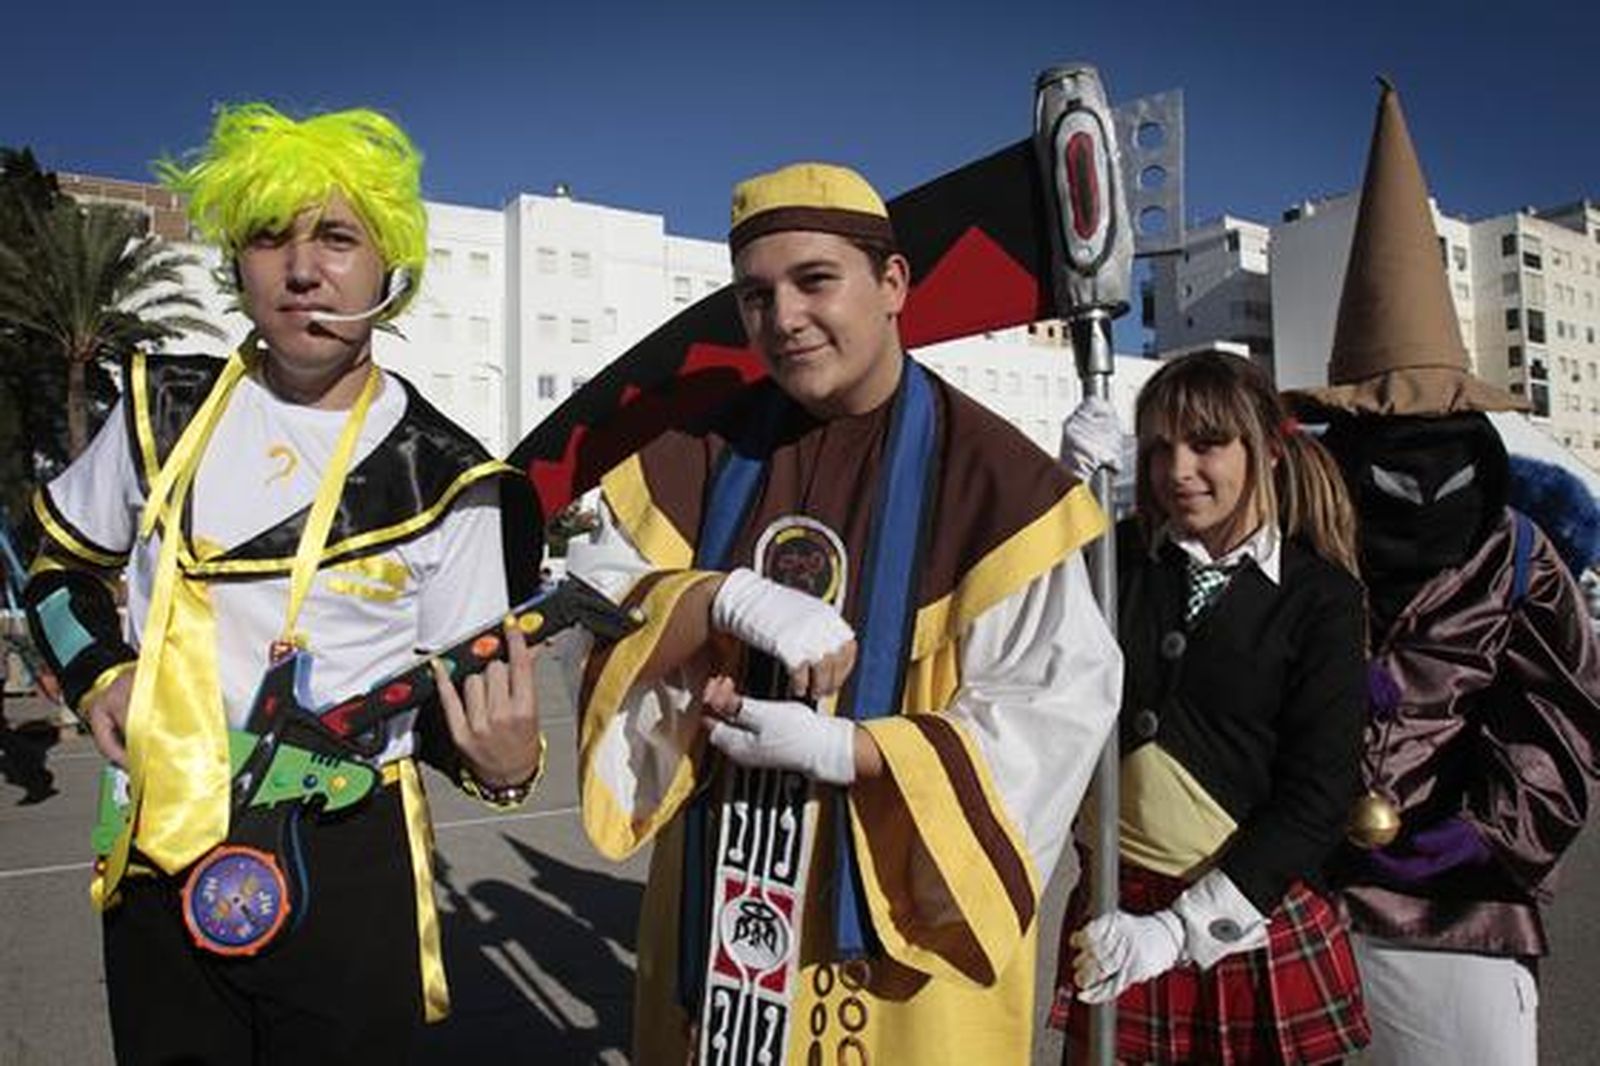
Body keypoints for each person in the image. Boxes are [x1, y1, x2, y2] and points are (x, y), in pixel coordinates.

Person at [560, 161, 1122, 1065]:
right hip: (722, 924)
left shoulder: (994, 479)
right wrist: (714, 600)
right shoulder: (700, 454)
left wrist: (852, 753)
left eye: (815, 280)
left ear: (893, 283)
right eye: (754, 296)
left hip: (903, 930)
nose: (782, 319)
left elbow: (1055, 708)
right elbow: (593, 607)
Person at [22, 103, 543, 1065]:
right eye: (270, 238)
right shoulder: (155, 408)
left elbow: (456, 707)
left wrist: (504, 768)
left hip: (350, 857)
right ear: (239, 266)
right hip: (159, 828)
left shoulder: (451, 478)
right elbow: (57, 569)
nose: (303, 269)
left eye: (338, 238)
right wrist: (99, 673)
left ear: (390, 269)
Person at [1288, 81, 1600, 1066]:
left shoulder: (1516, 556)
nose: (1416, 475)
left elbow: (1563, 713)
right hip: (1297, 901)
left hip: (1463, 918)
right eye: (1386, 435)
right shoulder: (1295, 540)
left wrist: (1487, 831)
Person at [1051, 349, 1372, 1064]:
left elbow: (1318, 797)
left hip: (1249, 911)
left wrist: (1178, 929)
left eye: (1206, 443)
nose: (1177, 470)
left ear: (1265, 449)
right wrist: (1064, 500)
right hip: (1117, 900)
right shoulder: (1115, 560)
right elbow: (1033, 635)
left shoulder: (1321, 598)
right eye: (1159, 447)